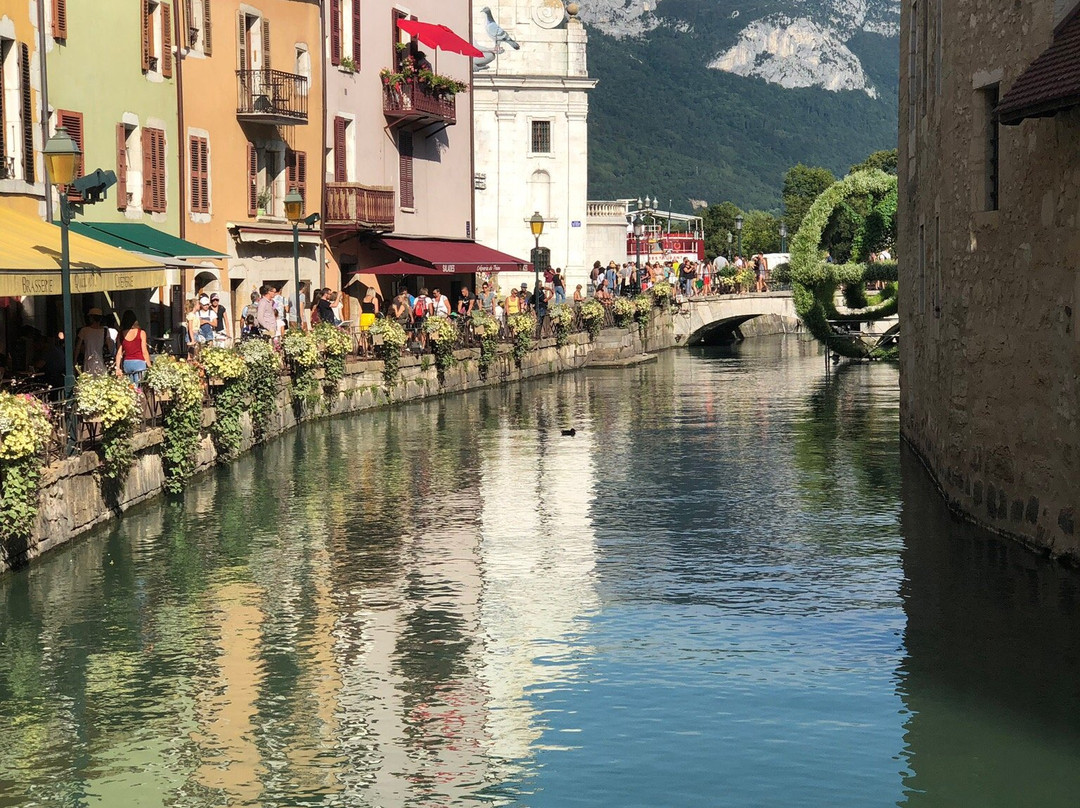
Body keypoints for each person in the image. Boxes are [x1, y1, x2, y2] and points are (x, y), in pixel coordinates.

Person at [114, 310, 150, 385]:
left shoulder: (120, 334)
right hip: (139, 362)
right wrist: (149, 366)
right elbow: (144, 351)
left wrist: (117, 367)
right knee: (139, 387)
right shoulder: (141, 333)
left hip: (127, 363)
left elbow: (119, 353)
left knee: (131, 387)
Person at [75, 308, 113, 375]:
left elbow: (78, 347)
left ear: (91, 318)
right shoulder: (105, 331)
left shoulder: (84, 331)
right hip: (102, 362)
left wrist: (75, 361)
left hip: (88, 362)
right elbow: (110, 347)